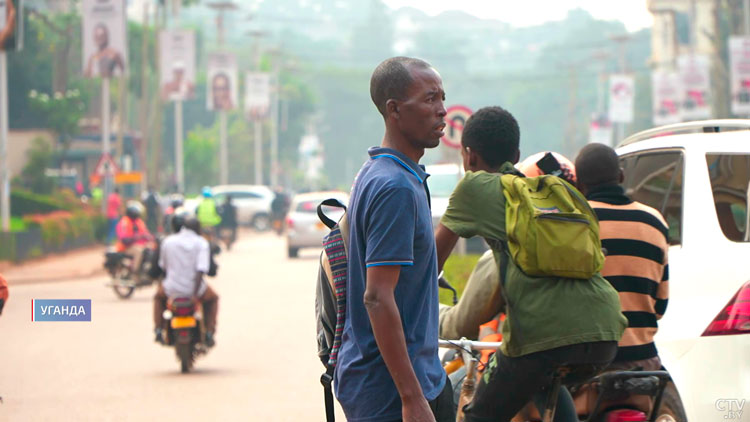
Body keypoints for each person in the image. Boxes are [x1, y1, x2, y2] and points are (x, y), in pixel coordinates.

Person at [434, 106, 626, 422]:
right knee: (542, 380)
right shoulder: (560, 191)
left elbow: (429, 264)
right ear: (517, 153)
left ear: (468, 156)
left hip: (540, 338)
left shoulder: (475, 186)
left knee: (480, 415)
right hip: (604, 332)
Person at [335, 56, 453, 422]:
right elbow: (376, 296)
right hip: (389, 392)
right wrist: (411, 398)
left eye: (443, 98)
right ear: (394, 109)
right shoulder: (395, 186)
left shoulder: (388, 173)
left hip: (417, 378)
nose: (442, 111)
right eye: (430, 99)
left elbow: (416, 268)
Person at [575, 143, 670, 372]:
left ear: (579, 183)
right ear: (621, 175)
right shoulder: (655, 221)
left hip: (588, 365)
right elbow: (660, 305)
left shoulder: (576, 221)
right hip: (644, 362)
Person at [153, 216, 219, 348]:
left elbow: (163, 266)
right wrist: (194, 295)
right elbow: (201, 270)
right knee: (213, 299)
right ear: (198, 228)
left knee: (158, 298)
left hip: (171, 289)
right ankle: (209, 333)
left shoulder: (169, 242)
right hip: (195, 290)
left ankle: (159, 330)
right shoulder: (201, 243)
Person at [115, 202, 153, 285]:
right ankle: (135, 273)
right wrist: (136, 238)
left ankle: (146, 272)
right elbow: (124, 240)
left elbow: (145, 233)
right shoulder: (124, 223)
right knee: (139, 251)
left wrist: (150, 237)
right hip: (126, 247)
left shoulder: (139, 222)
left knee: (150, 250)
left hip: (139, 245)